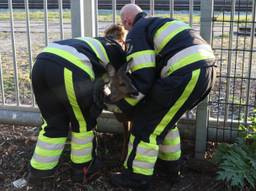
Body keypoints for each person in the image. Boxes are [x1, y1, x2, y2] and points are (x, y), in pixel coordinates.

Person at [110, 4, 216, 189]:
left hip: (184, 73)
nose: (125, 29)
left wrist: (123, 106)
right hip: (207, 71)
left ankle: (136, 178)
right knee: (165, 121)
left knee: (144, 126)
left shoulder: (137, 31)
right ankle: (171, 169)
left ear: (126, 21)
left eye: (124, 25)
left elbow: (142, 80)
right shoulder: (159, 22)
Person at [28, 24, 128, 188]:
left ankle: (39, 174)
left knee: (53, 123)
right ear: (122, 42)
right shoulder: (117, 49)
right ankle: (83, 169)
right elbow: (120, 84)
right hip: (68, 68)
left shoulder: (93, 43)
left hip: (41, 63)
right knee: (83, 123)